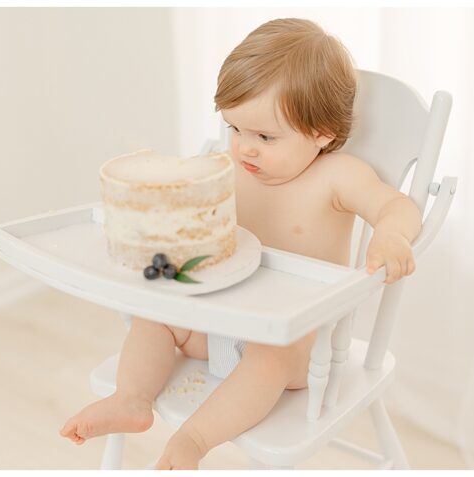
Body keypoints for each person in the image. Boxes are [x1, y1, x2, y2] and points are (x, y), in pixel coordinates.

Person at [60, 18, 421, 469]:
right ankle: (132, 399)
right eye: (234, 128)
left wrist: (390, 233)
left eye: (265, 136)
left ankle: (193, 438)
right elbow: (182, 206)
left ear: (322, 133)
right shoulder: (225, 170)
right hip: (217, 321)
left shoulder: (338, 178)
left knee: (267, 361)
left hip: (290, 342)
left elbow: (397, 206)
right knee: (154, 319)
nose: (244, 149)